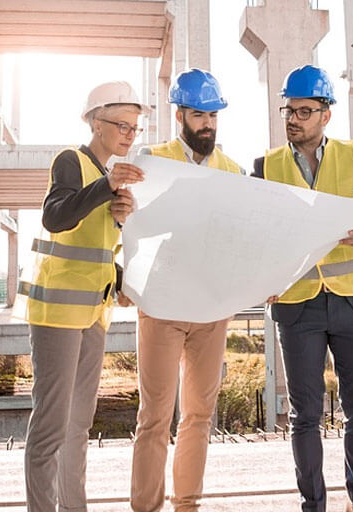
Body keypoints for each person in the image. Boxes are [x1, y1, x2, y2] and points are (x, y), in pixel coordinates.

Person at [253, 65, 353, 512]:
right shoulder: (266, 166)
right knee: (305, 417)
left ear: (325, 115)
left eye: (304, 110)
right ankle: (312, 504)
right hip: (297, 307)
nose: (293, 118)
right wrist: (261, 280)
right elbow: (253, 234)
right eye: (289, 110)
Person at [118, 68, 244, 512]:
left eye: (212, 115)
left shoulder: (233, 171)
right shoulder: (153, 161)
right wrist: (124, 274)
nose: (207, 123)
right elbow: (128, 223)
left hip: (211, 310)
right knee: (153, 417)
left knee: (198, 416)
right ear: (179, 116)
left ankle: (186, 504)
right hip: (162, 306)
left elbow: (242, 237)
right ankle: (146, 508)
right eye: (197, 114)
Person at [19, 80, 147, 512]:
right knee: (51, 427)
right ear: (95, 121)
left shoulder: (107, 178)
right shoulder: (72, 161)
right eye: (121, 124)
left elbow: (95, 252)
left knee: (78, 426)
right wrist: (105, 189)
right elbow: (55, 217)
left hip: (93, 313)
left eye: (135, 127)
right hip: (56, 312)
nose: (129, 133)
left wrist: (122, 279)